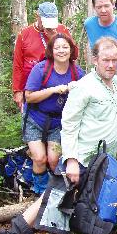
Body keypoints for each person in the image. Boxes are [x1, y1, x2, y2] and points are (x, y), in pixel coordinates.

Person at [0, 37, 117, 234]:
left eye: (114, 60)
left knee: (92, 205)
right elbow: (68, 124)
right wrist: (72, 160)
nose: (110, 64)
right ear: (94, 60)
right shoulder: (83, 86)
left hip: (105, 165)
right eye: (105, 60)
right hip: (81, 160)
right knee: (49, 202)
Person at [23, 33, 85, 194]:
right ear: (51, 50)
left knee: (54, 159)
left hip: (59, 123)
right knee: (39, 158)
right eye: (57, 47)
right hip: (35, 119)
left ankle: (56, 191)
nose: (61, 51)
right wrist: (53, 90)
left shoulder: (77, 73)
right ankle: (40, 192)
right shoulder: (41, 69)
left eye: (65, 47)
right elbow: (28, 96)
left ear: (71, 50)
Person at [12, 2, 77, 111]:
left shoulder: (61, 30)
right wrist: (18, 91)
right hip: (33, 88)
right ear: (38, 16)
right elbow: (18, 65)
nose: (49, 26)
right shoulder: (24, 34)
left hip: (59, 86)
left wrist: (54, 37)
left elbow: (74, 55)